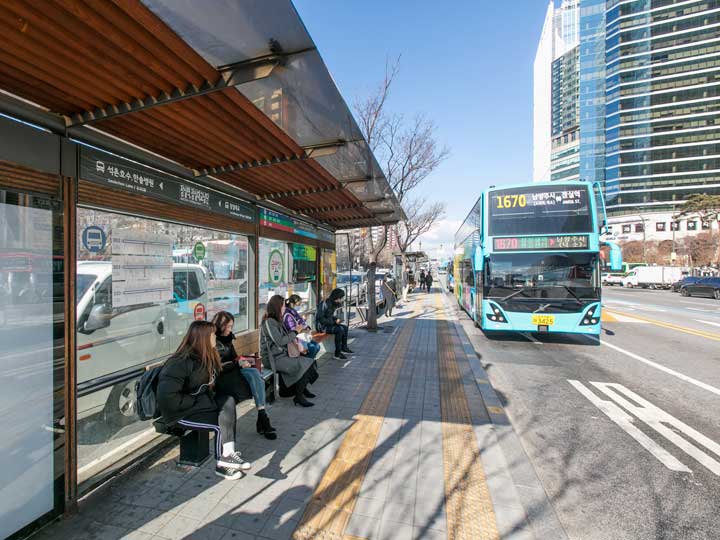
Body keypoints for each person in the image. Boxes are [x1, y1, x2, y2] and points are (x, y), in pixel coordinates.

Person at [157, 320, 251, 480]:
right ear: (203, 338)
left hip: (198, 404)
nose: (216, 337)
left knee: (228, 402)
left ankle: (227, 455)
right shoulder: (180, 362)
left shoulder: (205, 357)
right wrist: (198, 402)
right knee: (221, 423)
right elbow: (167, 398)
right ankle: (222, 465)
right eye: (213, 334)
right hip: (179, 413)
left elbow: (213, 379)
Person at [212, 311, 277, 440]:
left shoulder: (228, 338)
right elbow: (218, 366)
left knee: (254, 373)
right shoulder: (213, 339)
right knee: (254, 377)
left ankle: (262, 414)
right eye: (229, 326)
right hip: (223, 376)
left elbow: (234, 357)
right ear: (221, 325)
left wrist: (240, 361)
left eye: (232, 326)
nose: (230, 329)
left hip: (233, 371)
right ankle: (263, 420)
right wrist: (238, 364)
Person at [261, 295, 319, 407]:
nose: (284, 308)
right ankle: (299, 395)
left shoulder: (277, 320)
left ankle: (302, 390)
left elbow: (285, 337)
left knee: (308, 361)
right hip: (272, 358)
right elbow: (279, 341)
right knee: (306, 364)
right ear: (277, 307)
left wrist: (297, 336)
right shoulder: (269, 322)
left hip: (282, 355)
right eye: (282, 306)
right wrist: (296, 332)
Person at [317, 288, 353, 359]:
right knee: (339, 330)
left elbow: (329, 316)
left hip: (328, 324)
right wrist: (334, 322)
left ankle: (344, 348)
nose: (342, 299)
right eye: (341, 298)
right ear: (336, 297)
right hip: (322, 326)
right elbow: (321, 319)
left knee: (345, 327)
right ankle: (337, 353)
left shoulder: (333, 303)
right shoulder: (325, 304)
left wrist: (335, 319)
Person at [283, 295, 320, 359]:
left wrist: (305, 324)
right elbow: (292, 329)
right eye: (300, 301)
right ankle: (307, 362)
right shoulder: (288, 314)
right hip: (295, 339)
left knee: (317, 346)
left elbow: (299, 321)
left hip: (300, 335)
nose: (301, 303)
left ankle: (309, 361)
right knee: (314, 348)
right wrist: (304, 330)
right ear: (295, 301)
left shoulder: (293, 311)